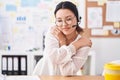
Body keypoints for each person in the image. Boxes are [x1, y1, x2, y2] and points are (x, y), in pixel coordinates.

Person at [32, 1, 92, 76]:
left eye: (68, 19)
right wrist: (74, 45)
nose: (64, 24)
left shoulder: (84, 43)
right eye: (59, 20)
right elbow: (54, 58)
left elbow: (67, 72)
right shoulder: (53, 33)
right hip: (44, 75)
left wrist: (63, 44)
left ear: (77, 19)